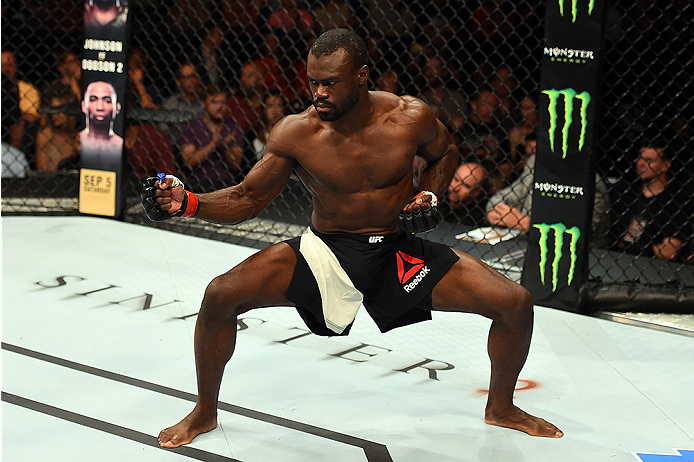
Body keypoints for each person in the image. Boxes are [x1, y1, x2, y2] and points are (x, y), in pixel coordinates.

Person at [142, 28, 563, 449]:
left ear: (361, 75)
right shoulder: (296, 133)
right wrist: (189, 203)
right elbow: (247, 197)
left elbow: (445, 152)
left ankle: (501, 408)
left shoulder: (409, 116)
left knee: (515, 303)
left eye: (330, 82)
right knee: (220, 295)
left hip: (398, 249)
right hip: (326, 252)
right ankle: (204, 411)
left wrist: (429, 194)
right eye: (313, 81)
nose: (319, 93)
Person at [486, 133, 610, 247]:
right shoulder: (537, 163)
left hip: (577, 253)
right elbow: (503, 197)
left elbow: (577, 232)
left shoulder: (589, 183)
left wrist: (525, 224)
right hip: (526, 243)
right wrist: (498, 210)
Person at [609, 141, 693, 261]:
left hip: (653, 268)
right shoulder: (627, 196)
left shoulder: (677, 203)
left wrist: (639, 250)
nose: (641, 164)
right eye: (640, 158)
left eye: (649, 160)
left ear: (665, 165)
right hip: (616, 260)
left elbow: (669, 252)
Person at [179, 84, 245, 185]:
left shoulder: (233, 129)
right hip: (196, 183)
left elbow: (236, 166)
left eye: (223, 102)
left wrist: (227, 147)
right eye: (214, 102)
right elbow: (188, 162)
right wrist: (213, 143)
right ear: (203, 103)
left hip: (226, 184)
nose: (219, 106)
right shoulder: (192, 128)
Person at [80, 80, 123, 171]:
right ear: (84, 106)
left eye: (107, 101)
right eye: (93, 100)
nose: (100, 107)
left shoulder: (121, 145)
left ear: (117, 107)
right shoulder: (77, 141)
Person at [35, 91, 79, 171]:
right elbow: (42, 170)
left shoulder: (79, 136)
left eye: (59, 110)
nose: (54, 115)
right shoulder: (46, 134)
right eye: (53, 110)